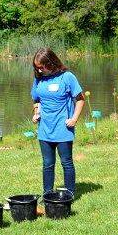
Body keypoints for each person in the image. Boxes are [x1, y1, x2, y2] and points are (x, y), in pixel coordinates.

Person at [30, 47, 84, 196]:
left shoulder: (67, 77)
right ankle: (47, 194)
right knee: (47, 164)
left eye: (42, 67)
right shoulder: (39, 80)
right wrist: (37, 112)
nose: (39, 70)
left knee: (66, 162)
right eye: (37, 67)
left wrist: (74, 119)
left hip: (63, 128)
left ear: (51, 62)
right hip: (45, 130)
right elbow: (37, 99)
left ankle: (69, 194)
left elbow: (80, 99)